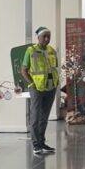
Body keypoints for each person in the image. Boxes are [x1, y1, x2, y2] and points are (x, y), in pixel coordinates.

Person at [20, 26, 60, 156]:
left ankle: (42, 143)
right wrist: (31, 84)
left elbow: (54, 68)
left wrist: (56, 83)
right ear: (38, 37)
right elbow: (24, 70)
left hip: (51, 86)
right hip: (36, 87)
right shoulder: (31, 50)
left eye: (49, 36)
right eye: (44, 36)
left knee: (44, 117)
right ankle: (36, 145)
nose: (47, 39)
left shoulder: (52, 51)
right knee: (35, 116)